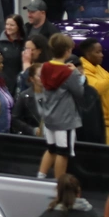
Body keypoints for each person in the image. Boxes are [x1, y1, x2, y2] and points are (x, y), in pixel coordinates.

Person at [37, 35, 85, 180]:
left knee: (51, 149)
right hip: (65, 120)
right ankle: (59, 185)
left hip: (49, 118)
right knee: (63, 153)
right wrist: (76, 73)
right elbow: (80, 92)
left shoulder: (45, 67)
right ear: (67, 51)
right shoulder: (69, 72)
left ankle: (40, 177)